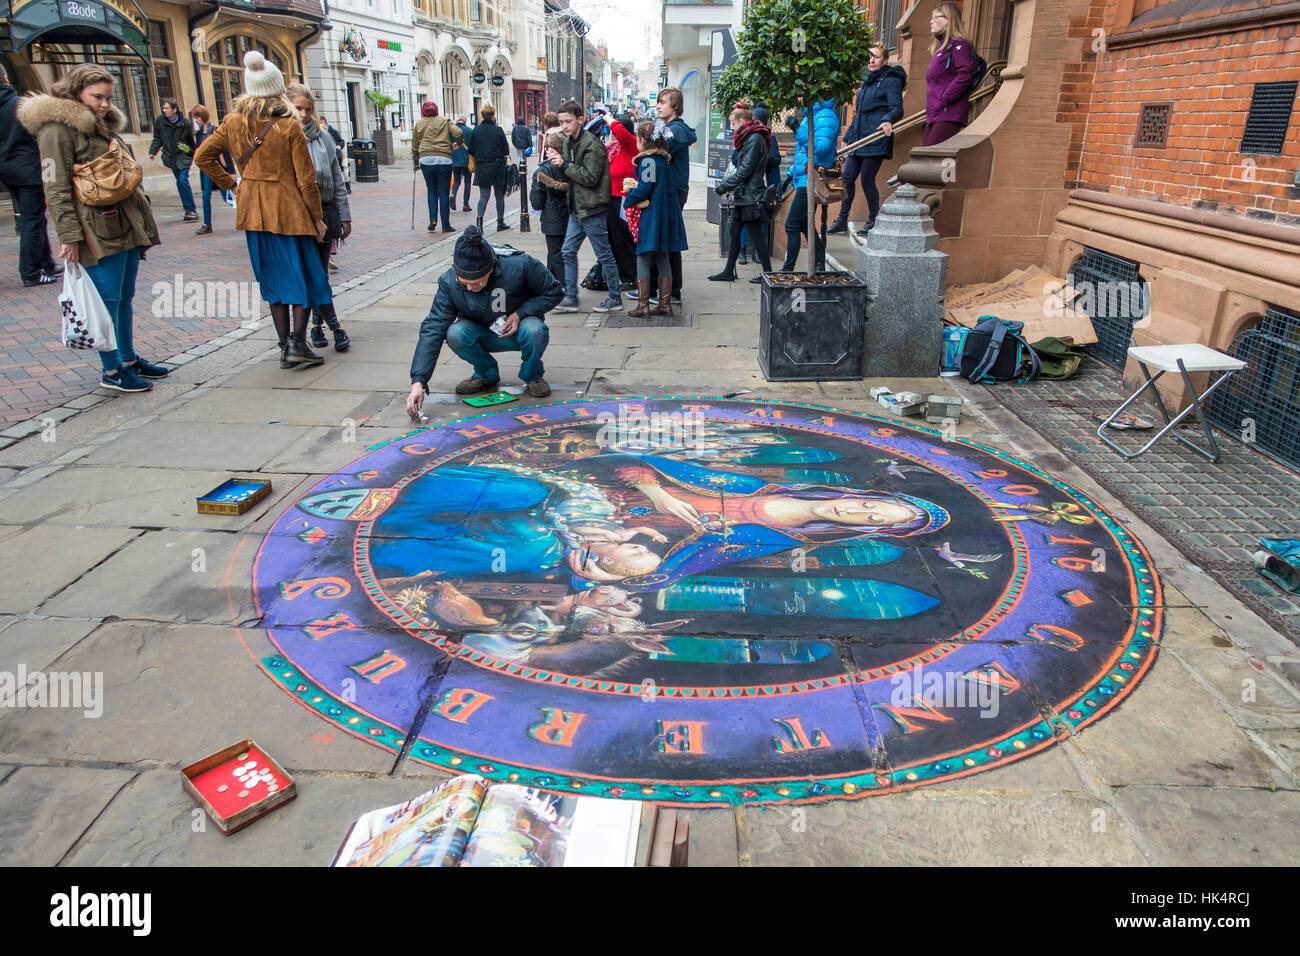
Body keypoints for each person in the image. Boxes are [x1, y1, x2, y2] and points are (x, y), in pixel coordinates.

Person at [20, 63, 163, 392]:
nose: (104, 103)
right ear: (76, 91)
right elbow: (53, 188)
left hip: (124, 222)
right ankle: (112, 371)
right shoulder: (56, 129)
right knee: (107, 302)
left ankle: (128, 359)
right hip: (94, 228)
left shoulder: (102, 124)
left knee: (124, 297)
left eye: (108, 97)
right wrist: (69, 237)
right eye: (97, 96)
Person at [195, 51, 330, 369]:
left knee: (273, 280)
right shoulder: (287, 125)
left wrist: (233, 184)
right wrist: (317, 217)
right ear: (276, 87)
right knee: (305, 277)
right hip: (290, 210)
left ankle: (285, 346)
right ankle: (298, 344)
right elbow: (306, 178)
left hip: (253, 210)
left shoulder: (232, 122)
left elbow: (202, 157)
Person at [406, 225, 563, 406]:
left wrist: (520, 313)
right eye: (464, 283)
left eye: (478, 282)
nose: (471, 288)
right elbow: (433, 327)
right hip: (481, 333)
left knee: (535, 328)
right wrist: (418, 381)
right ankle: (486, 374)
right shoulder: (448, 282)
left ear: (491, 269)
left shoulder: (521, 264)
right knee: (455, 333)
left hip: (520, 331)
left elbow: (554, 292)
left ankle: (533, 375)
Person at [286, 83, 352, 354]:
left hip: (325, 211)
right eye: (298, 108)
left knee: (320, 273)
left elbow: (337, 178)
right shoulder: (284, 136)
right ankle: (334, 326)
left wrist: (345, 216)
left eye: (308, 109)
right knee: (310, 274)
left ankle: (317, 326)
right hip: (298, 215)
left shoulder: (323, 137)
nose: (303, 114)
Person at [548, 100, 622, 314]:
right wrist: (559, 165)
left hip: (592, 207)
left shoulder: (592, 144)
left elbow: (590, 177)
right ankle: (571, 297)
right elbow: (570, 176)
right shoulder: (567, 142)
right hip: (578, 206)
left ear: (580, 120)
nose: (564, 126)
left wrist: (564, 165)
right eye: (561, 122)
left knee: (603, 253)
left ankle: (615, 297)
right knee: (567, 250)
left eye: (568, 121)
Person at [830, 45, 906, 237]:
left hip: (875, 137)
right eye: (870, 57)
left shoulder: (891, 81)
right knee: (847, 179)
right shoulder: (867, 83)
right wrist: (848, 137)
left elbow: (897, 108)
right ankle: (841, 220)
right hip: (858, 138)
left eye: (877, 57)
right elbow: (858, 114)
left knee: (866, 180)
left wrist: (887, 120)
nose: (872, 61)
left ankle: (873, 219)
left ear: (885, 60)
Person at [0, 66, 60, 286]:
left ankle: (46, 263)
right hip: (28, 169)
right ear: (5, 78)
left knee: (33, 218)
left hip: (7, 170)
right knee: (31, 221)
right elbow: (42, 137)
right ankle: (32, 273)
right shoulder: (21, 105)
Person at [622, 120, 687, 315]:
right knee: (662, 257)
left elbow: (644, 189)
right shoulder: (664, 161)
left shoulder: (648, 161)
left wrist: (628, 199)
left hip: (654, 215)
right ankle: (664, 305)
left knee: (643, 256)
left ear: (642, 140)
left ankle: (643, 306)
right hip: (667, 214)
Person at [709, 99, 774, 283]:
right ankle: (729, 271)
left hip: (750, 196)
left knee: (755, 236)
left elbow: (745, 170)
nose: (733, 127)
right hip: (744, 195)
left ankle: (768, 275)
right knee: (734, 233)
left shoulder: (754, 139)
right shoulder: (750, 137)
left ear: (743, 121)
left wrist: (723, 186)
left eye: (735, 123)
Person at [648, 86, 696, 306]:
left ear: (675, 106)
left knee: (668, 239)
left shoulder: (674, 131)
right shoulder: (669, 128)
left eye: (664, 102)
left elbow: (656, 152)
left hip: (672, 191)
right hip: (670, 189)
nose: (659, 105)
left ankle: (672, 291)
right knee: (668, 238)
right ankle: (664, 288)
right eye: (658, 101)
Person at [779, 99, 838, 273]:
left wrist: (798, 130)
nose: (798, 97)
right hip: (804, 177)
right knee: (804, 225)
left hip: (812, 179)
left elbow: (820, 148)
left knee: (792, 224)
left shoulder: (826, 116)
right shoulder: (811, 115)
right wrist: (789, 176)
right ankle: (819, 264)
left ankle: (787, 270)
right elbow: (801, 152)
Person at [735, 103, 781, 267]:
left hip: (761, 187)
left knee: (756, 223)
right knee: (739, 226)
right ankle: (741, 252)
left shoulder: (770, 138)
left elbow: (776, 160)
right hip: (745, 188)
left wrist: (760, 158)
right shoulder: (744, 137)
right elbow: (736, 159)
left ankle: (756, 253)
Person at [925, 2, 976, 146]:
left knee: (931, 161)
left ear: (949, 19)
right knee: (926, 160)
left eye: (936, 17)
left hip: (949, 113)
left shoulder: (959, 45)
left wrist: (945, 98)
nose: (931, 21)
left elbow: (965, 74)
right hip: (935, 113)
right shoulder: (941, 47)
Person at [412, 101, 463, 233]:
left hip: (426, 158)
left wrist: (416, 161)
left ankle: (433, 220)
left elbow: (414, 146)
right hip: (443, 158)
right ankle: (445, 225)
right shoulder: (444, 121)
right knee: (443, 192)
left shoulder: (419, 124)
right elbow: (458, 132)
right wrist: (457, 144)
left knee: (431, 190)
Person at [149, 97, 198, 222]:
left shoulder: (185, 123)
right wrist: (153, 152)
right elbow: (157, 137)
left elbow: (192, 144)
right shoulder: (160, 121)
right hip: (171, 157)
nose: (163, 110)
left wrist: (188, 151)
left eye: (166, 108)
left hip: (183, 156)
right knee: (179, 181)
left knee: (182, 180)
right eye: (163, 108)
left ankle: (190, 210)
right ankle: (188, 209)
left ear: (174, 109)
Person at [529, 131, 569, 283]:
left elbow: (536, 203)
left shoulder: (542, 172)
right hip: (570, 217)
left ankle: (565, 287)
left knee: (556, 253)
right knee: (560, 253)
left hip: (552, 219)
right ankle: (551, 282)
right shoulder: (570, 167)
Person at [605, 112, 639, 292]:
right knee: (613, 239)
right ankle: (621, 273)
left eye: (615, 130)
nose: (612, 133)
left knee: (625, 239)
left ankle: (632, 276)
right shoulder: (611, 149)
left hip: (625, 199)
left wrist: (611, 121)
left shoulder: (631, 147)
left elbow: (623, 135)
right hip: (610, 199)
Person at [189, 104, 234, 235]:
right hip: (205, 170)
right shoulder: (198, 134)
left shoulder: (215, 130)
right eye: (194, 118)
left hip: (218, 168)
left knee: (227, 197)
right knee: (205, 196)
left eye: (197, 118)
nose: (196, 121)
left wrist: (231, 171)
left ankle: (247, 214)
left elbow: (225, 151)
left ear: (202, 117)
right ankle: (207, 224)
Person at [467, 103, 510, 231]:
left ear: (482, 115)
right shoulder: (498, 130)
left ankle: (479, 222)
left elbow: (471, 150)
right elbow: (506, 150)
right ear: (493, 115)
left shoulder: (476, 130)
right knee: (499, 195)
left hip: (482, 165)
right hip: (497, 165)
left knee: (484, 195)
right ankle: (500, 222)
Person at [451, 115, 473, 211]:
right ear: (465, 121)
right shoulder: (469, 131)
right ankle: (465, 204)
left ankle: (453, 194)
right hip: (466, 160)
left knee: (456, 180)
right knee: (467, 181)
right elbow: (473, 146)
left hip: (454, 160)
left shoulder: (451, 131)